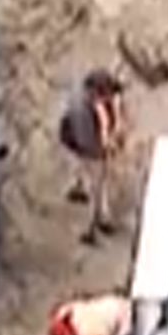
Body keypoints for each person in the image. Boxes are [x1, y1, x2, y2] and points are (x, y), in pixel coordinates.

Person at [56, 69, 128, 242]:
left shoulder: (88, 101)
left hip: (78, 141)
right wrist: (106, 148)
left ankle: (79, 187)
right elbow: (96, 134)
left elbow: (116, 122)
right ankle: (94, 224)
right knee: (98, 184)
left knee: (89, 174)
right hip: (87, 145)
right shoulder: (88, 108)